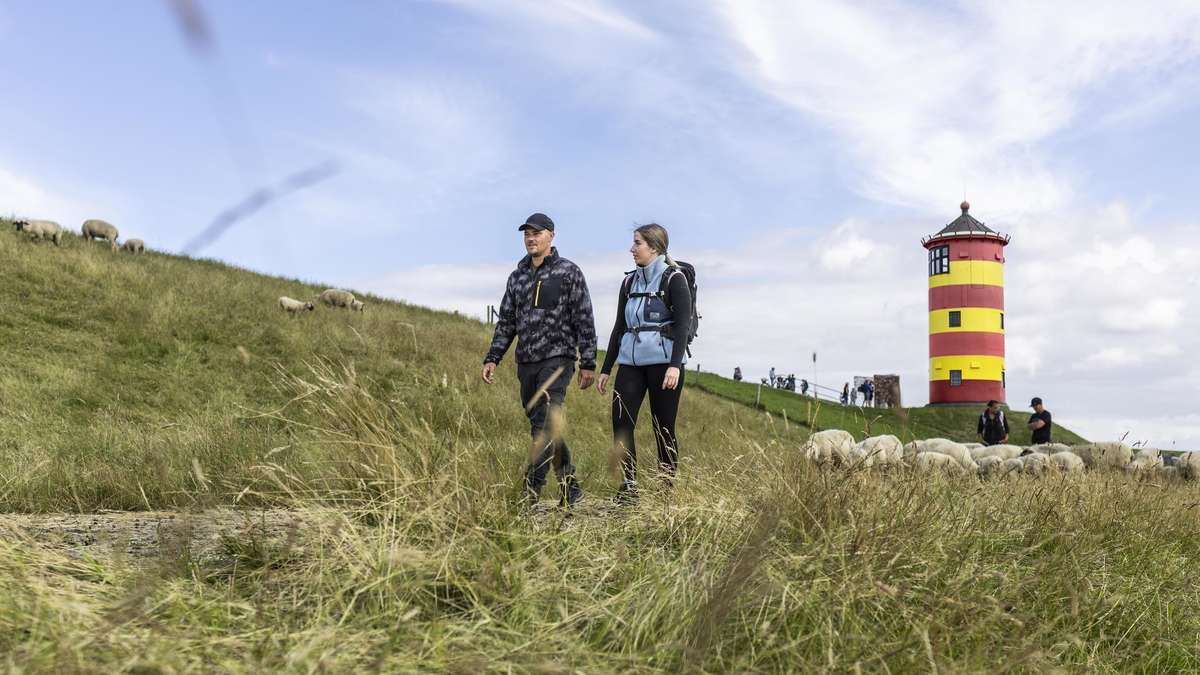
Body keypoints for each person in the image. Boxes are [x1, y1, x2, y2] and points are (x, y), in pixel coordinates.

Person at [482, 212, 596, 508]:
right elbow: (506, 321)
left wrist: (588, 361)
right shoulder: (517, 277)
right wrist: (494, 356)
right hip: (527, 362)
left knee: (545, 424)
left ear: (551, 236)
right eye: (527, 234)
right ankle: (571, 489)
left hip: (558, 359)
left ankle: (530, 493)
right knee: (543, 426)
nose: (531, 238)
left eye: (537, 233)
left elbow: (583, 317)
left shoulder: (568, 272)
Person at [597, 223, 693, 502]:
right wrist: (606, 368)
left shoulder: (674, 279)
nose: (632, 248)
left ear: (654, 247)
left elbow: (683, 324)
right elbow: (619, 327)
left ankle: (665, 491)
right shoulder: (628, 282)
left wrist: (675, 365)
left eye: (637, 243)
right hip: (630, 364)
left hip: (665, 365)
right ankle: (628, 488)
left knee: (663, 428)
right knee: (620, 423)